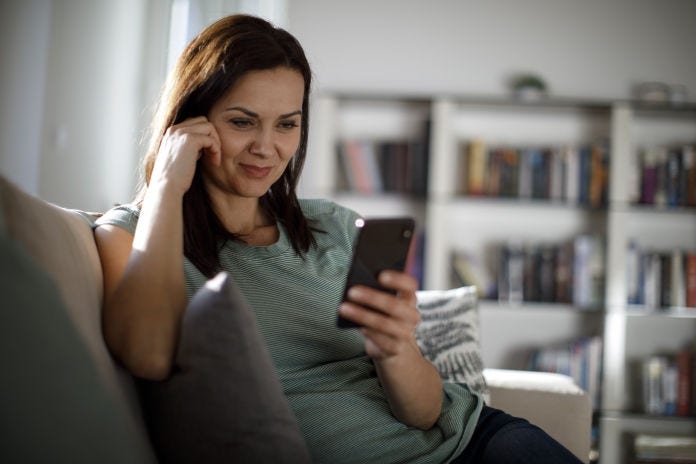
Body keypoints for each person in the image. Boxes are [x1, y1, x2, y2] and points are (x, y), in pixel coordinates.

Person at [94, 14, 583, 464]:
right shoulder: (133, 233)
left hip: (474, 443)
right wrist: (165, 184)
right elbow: (148, 354)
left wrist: (395, 349)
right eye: (242, 122)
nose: (267, 148)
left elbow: (426, 414)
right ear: (189, 123)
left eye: (287, 124)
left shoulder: (334, 226)